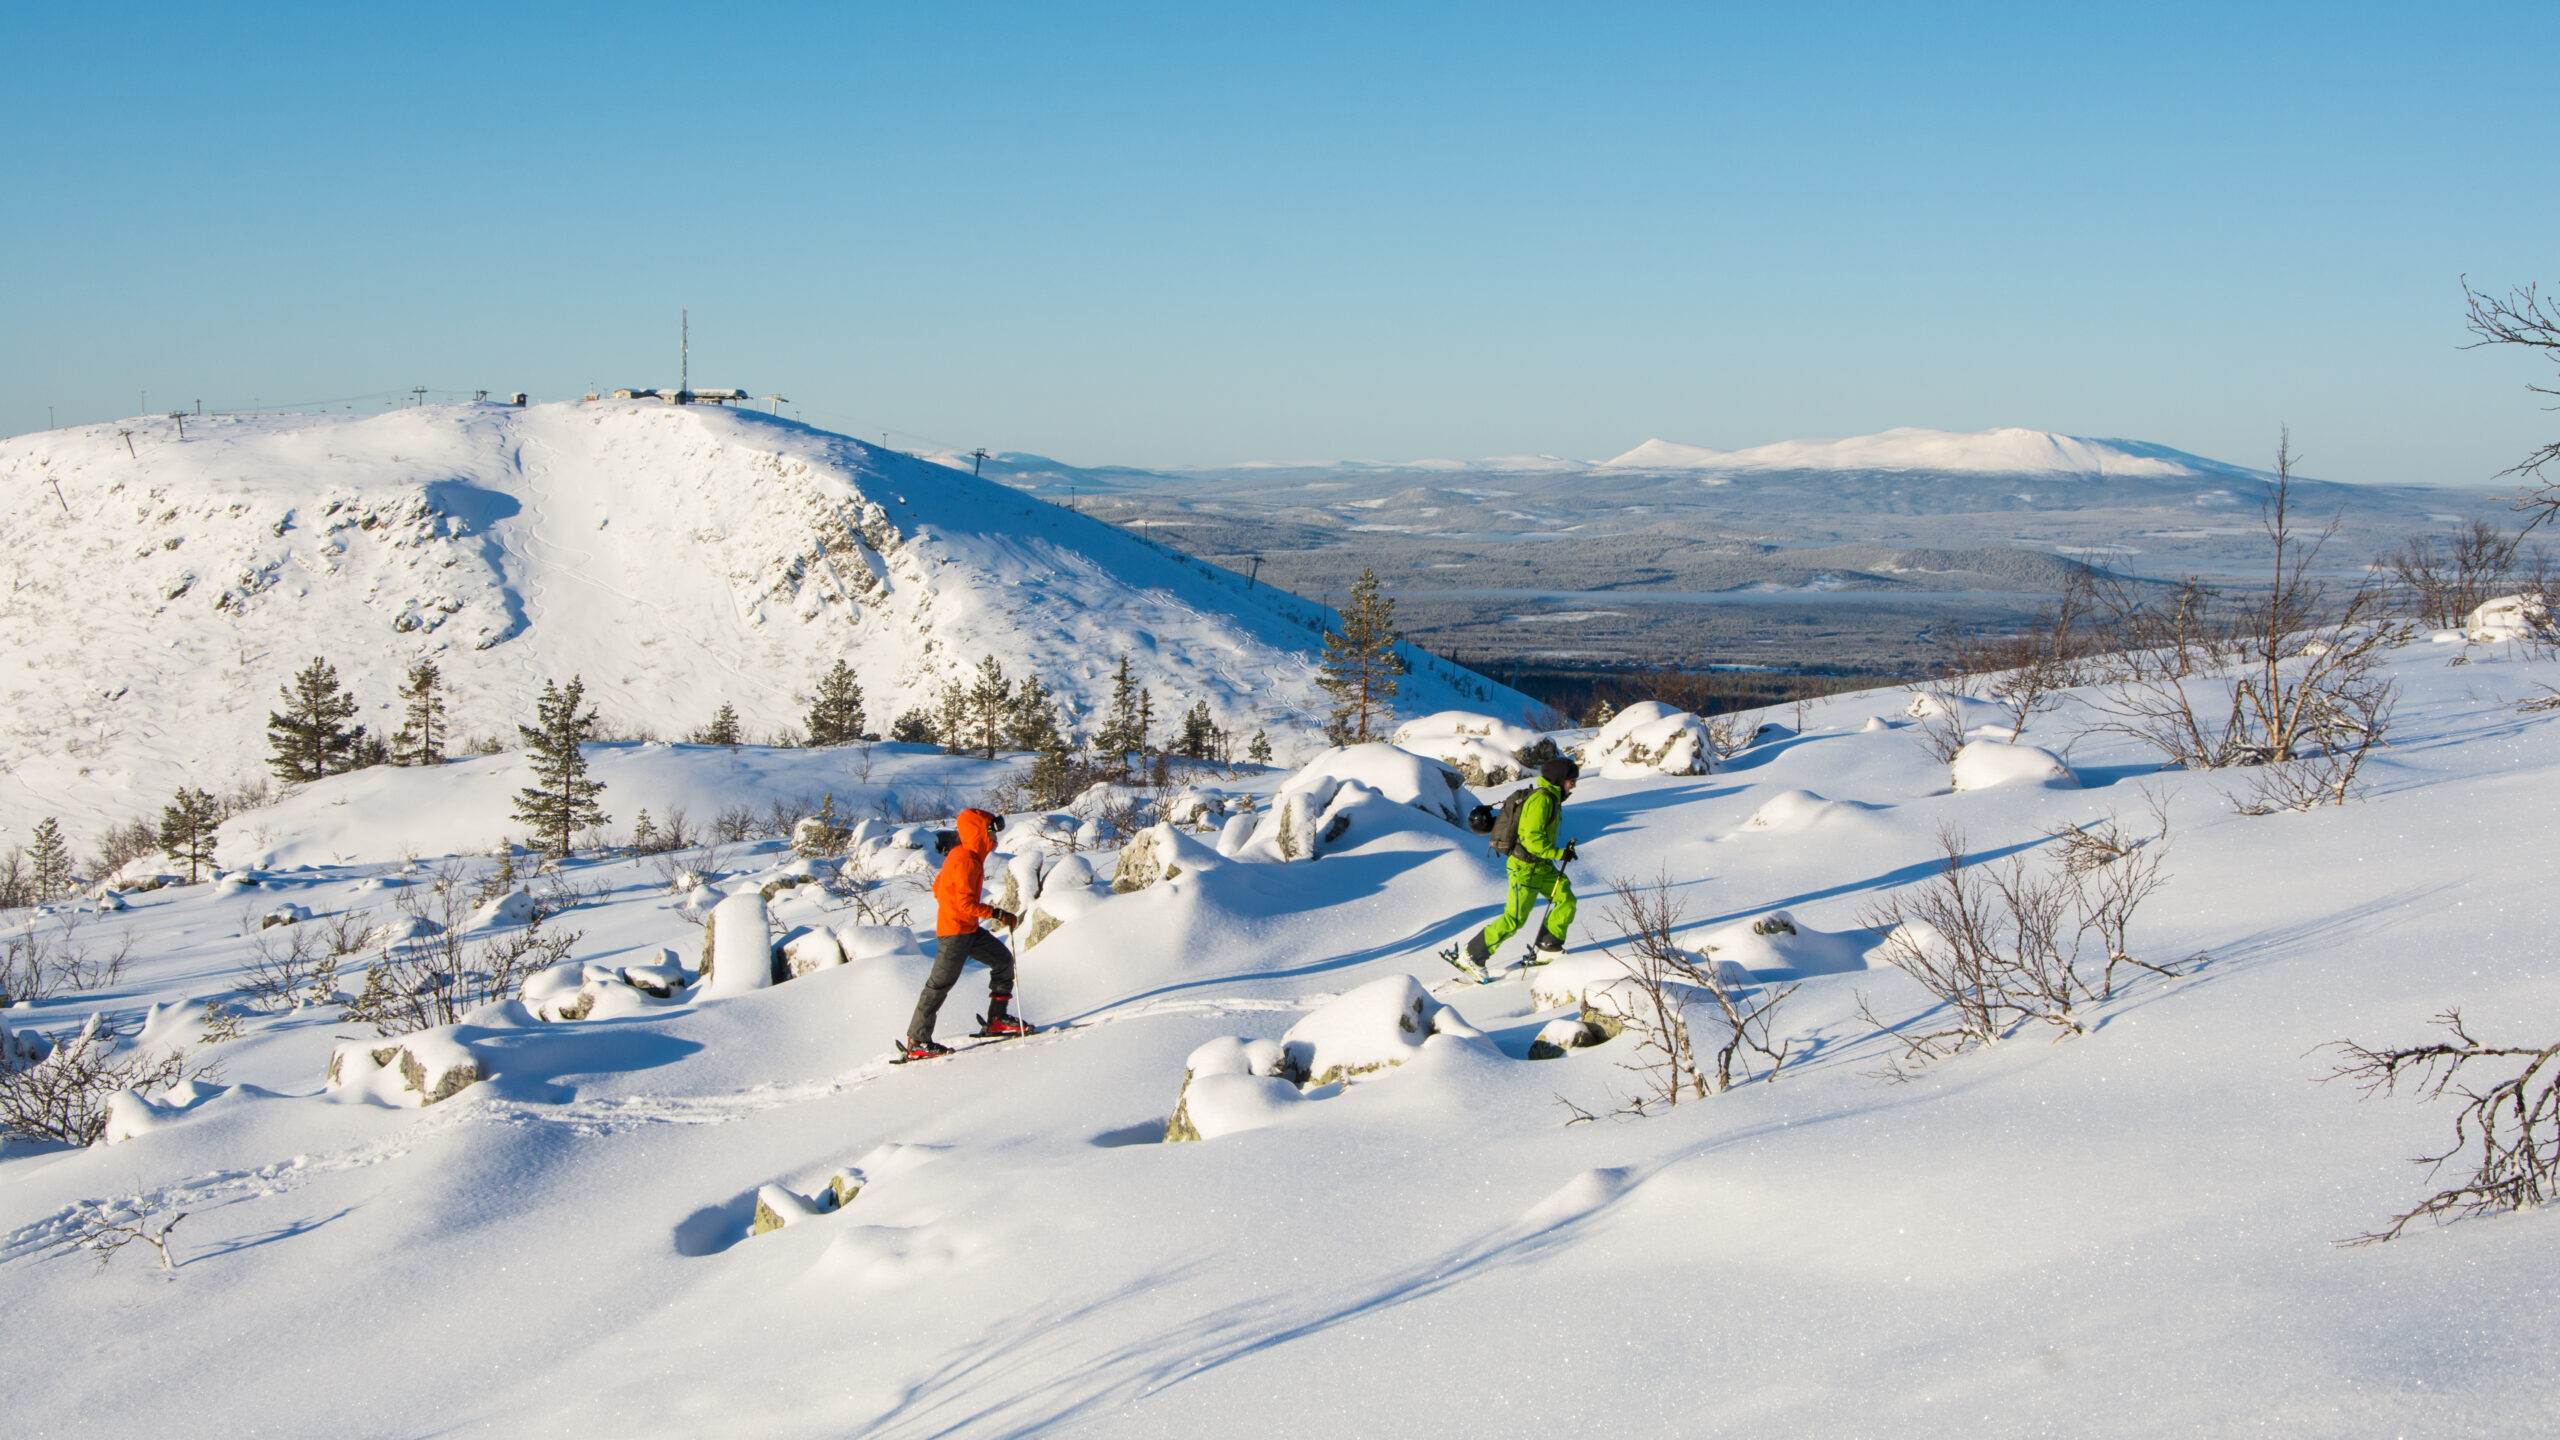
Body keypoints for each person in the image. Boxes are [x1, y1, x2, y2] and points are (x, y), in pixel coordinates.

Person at [901, 808, 1030, 1058]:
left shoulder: (963, 855)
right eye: (991, 831)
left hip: (967, 929)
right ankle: (917, 1041)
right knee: (939, 985)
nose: (995, 837)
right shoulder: (966, 859)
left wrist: (955, 908)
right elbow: (965, 903)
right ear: (978, 832)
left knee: (1003, 961)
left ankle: (997, 1020)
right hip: (955, 933)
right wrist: (997, 913)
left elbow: (938, 887)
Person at [1463, 755, 1580, 975]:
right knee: (1514, 919)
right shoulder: (1542, 801)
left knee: (1566, 899)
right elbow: (1532, 840)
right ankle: (1472, 955)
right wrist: (1559, 853)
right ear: (1559, 779)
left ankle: (1548, 947)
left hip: (1541, 866)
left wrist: (1558, 854)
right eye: (1571, 781)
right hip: (1524, 868)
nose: (1573, 786)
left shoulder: (1552, 799)